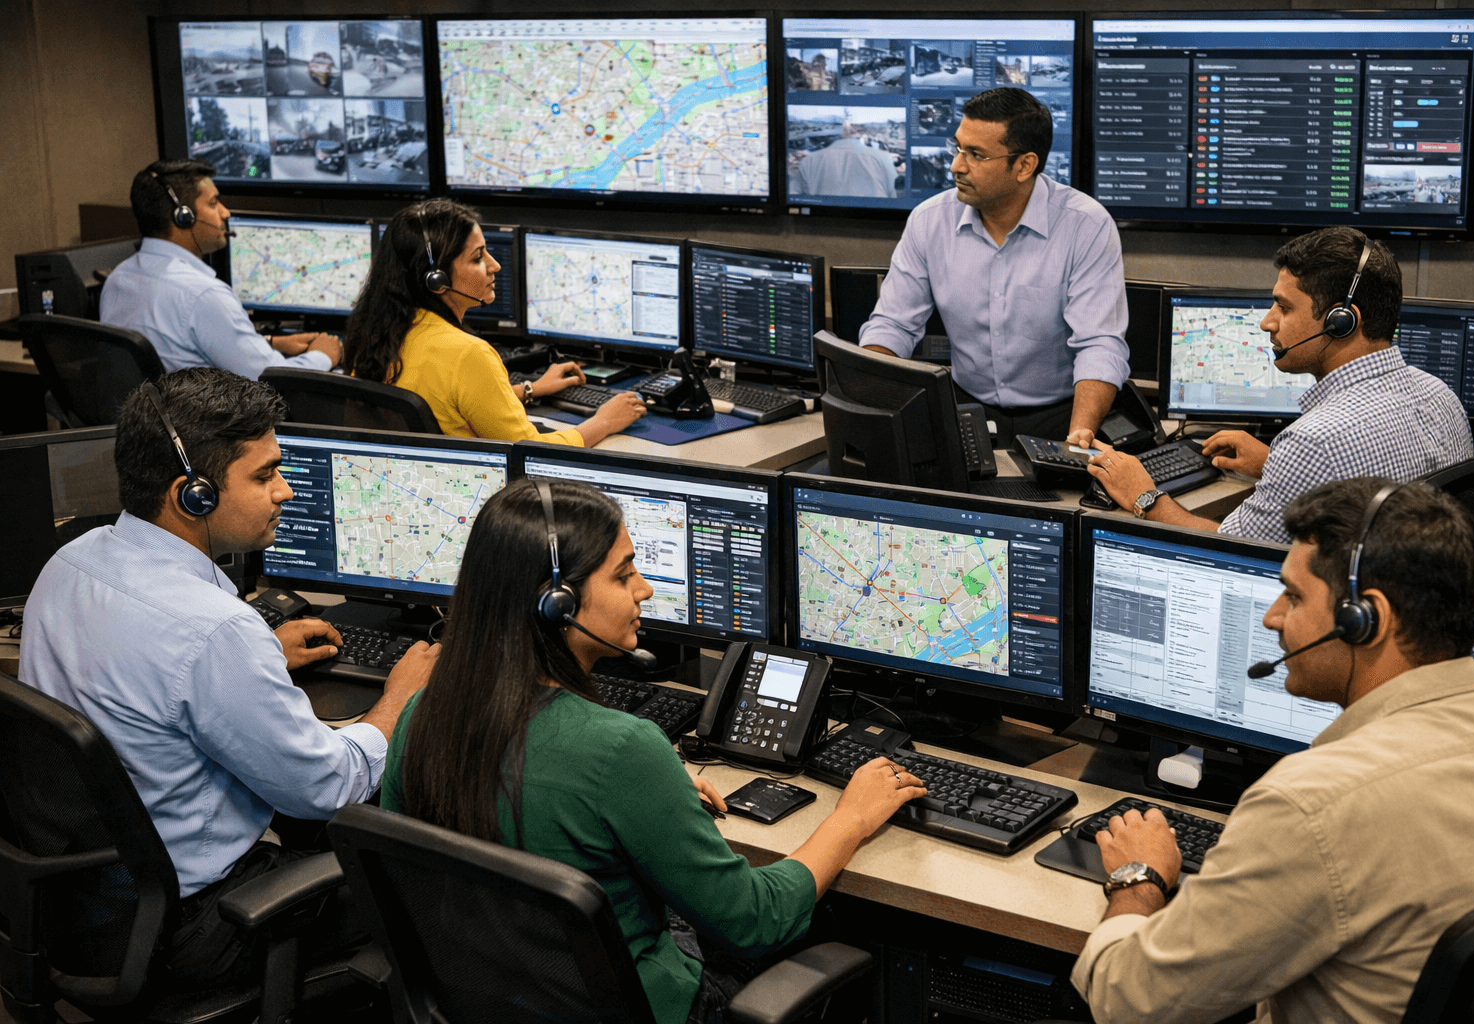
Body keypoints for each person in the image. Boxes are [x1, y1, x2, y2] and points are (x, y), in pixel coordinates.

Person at [381, 478, 929, 1024]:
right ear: (556, 604)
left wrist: (648, 800)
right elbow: (755, 921)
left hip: (492, 1001)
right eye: (624, 575)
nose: (644, 589)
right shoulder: (621, 749)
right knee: (830, 921)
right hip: (645, 1009)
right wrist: (850, 818)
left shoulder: (422, 713)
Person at [19, 368, 436, 986]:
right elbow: (325, 787)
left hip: (77, 899)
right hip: (186, 928)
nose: (286, 491)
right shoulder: (213, 632)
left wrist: (255, 654)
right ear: (195, 495)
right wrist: (395, 705)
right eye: (265, 475)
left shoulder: (69, 562)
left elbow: (152, 668)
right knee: (430, 889)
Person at [1071, 477, 1474, 1023]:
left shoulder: (1312, 805)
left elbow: (1125, 1002)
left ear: (1365, 619)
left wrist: (1139, 878)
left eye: (1293, 595)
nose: (1272, 617)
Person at [1087, 228, 1473, 544]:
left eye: (1284, 308)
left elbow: (1232, 549)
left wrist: (1145, 496)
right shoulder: (1443, 398)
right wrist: (1274, 464)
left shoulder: (1314, 442)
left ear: (1342, 321)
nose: (1267, 322)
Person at [859, 87, 1129, 446]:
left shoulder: (1086, 225)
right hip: (966, 406)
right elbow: (892, 325)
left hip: (1060, 412)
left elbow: (1099, 346)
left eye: (975, 155)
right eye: (957, 148)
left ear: (1024, 166)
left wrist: (1077, 442)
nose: (956, 165)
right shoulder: (930, 221)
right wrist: (868, 404)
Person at [345, 199, 644, 445]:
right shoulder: (468, 354)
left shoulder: (377, 333)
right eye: (477, 258)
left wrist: (531, 389)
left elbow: (439, 406)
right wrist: (603, 422)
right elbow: (529, 452)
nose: (494, 266)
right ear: (437, 279)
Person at [100, 159, 344, 379]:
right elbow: (271, 380)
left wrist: (269, 342)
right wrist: (323, 355)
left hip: (150, 422)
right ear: (183, 217)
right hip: (202, 425)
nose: (225, 212)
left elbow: (180, 345)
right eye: (214, 203)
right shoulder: (203, 295)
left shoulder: (117, 279)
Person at [789, 120, 898, 198]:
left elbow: (793, 197)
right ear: (861, 133)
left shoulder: (808, 161)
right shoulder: (884, 158)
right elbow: (893, 199)